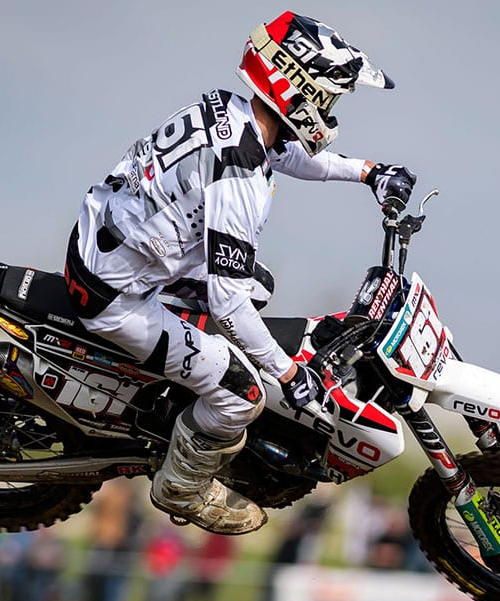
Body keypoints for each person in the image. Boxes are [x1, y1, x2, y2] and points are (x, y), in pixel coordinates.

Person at [64, 11, 416, 535]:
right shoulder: (240, 179)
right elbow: (227, 304)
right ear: (298, 88)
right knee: (242, 392)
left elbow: (287, 155)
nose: (331, 109)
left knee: (259, 286)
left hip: (114, 242)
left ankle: (176, 397)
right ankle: (182, 485)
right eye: (329, 96)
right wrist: (290, 375)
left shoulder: (229, 111)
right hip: (118, 293)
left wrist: (368, 172)